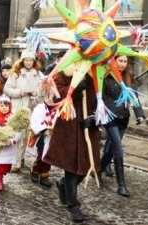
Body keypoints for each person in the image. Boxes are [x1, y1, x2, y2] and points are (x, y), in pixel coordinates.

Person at [43, 63, 100, 223]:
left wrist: (95, 118)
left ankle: (63, 185)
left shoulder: (95, 75)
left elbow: (104, 100)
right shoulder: (62, 74)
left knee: (88, 166)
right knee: (71, 167)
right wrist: (74, 89)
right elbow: (56, 96)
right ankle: (73, 205)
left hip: (88, 128)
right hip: (69, 126)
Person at [100, 55, 145, 197]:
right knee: (118, 148)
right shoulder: (105, 76)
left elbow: (134, 97)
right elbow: (101, 97)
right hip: (111, 117)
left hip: (123, 118)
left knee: (111, 149)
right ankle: (121, 185)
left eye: (125, 62)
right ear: (114, 61)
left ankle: (98, 170)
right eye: (120, 61)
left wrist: (139, 114)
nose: (123, 64)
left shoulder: (129, 77)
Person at [3, 50, 43, 172]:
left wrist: (37, 93)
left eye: (31, 60)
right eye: (26, 60)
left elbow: (43, 91)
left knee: (26, 135)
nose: (29, 62)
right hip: (17, 107)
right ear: (22, 61)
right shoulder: (15, 73)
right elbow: (7, 89)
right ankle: (15, 161)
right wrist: (20, 92)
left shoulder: (38, 74)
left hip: (31, 107)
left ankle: (20, 158)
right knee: (16, 135)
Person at [28, 96, 57, 187]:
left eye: (53, 97)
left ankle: (45, 174)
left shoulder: (58, 108)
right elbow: (35, 119)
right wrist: (44, 129)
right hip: (42, 136)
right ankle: (35, 170)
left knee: (49, 156)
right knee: (41, 155)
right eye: (48, 97)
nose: (50, 99)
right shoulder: (39, 108)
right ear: (44, 97)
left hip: (52, 137)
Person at [0, 94, 19, 192]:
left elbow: (17, 130)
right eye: (2, 106)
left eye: (6, 106)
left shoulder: (13, 118)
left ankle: (0, 177)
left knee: (6, 165)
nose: (4, 108)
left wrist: (11, 140)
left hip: (9, 146)